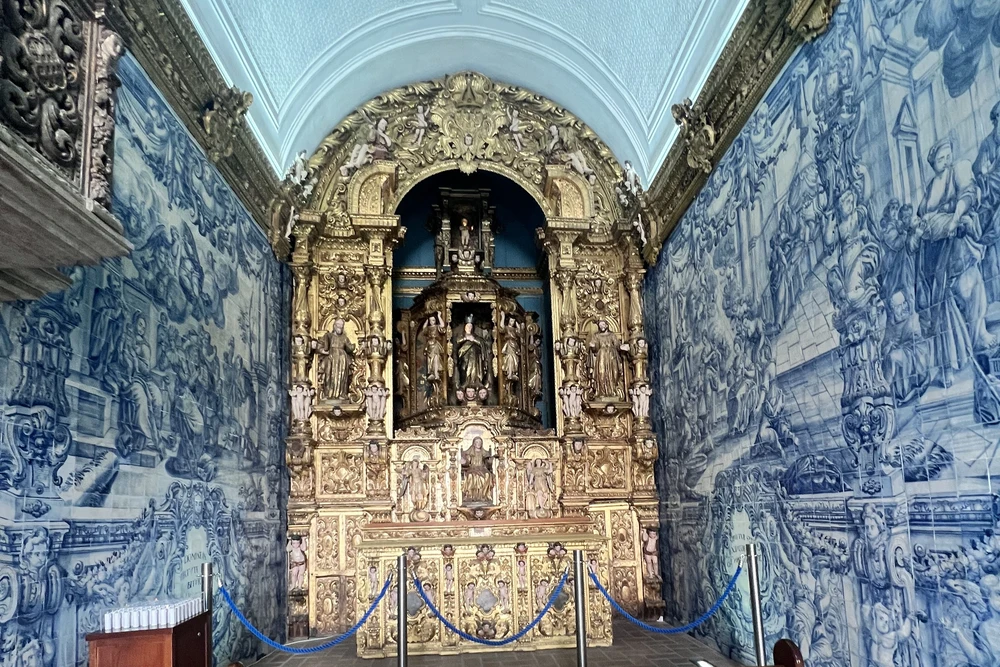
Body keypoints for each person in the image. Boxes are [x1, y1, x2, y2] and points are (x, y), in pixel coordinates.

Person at [918, 138, 997, 386]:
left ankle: (979, 333)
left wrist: (955, 217)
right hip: (937, 253)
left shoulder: (958, 170)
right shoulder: (931, 187)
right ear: (933, 163)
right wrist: (934, 223)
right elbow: (923, 216)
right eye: (940, 159)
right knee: (947, 303)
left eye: (947, 156)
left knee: (972, 286)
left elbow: (968, 194)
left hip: (959, 244)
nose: (945, 161)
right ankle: (953, 357)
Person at [461, 436, 494, 504]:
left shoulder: (484, 452)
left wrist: (490, 461)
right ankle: (470, 495)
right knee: (471, 476)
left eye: (480, 442)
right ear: (474, 443)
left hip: (482, 468)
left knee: (487, 475)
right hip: (472, 468)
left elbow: (487, 463)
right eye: (477, 442)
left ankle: (484, 495)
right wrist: (464, 461)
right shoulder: (470, 452)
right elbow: (467, 462)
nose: (478, 444)